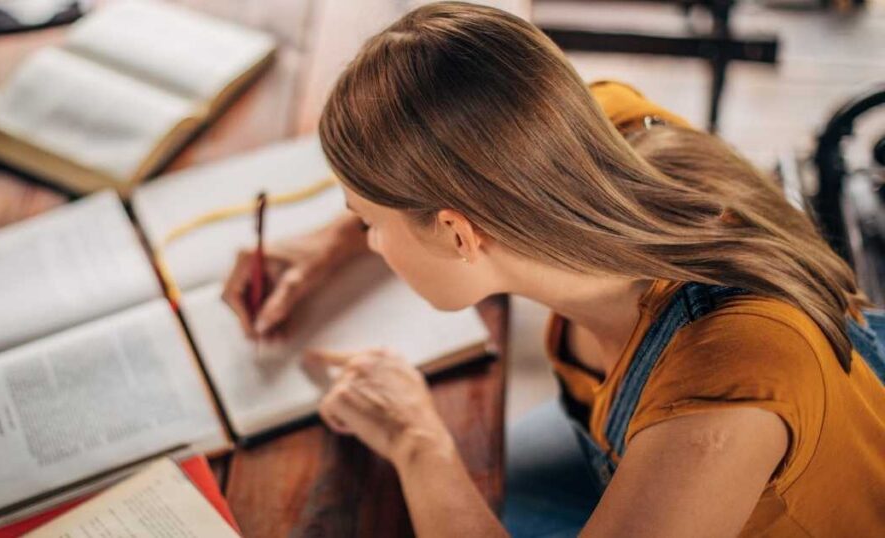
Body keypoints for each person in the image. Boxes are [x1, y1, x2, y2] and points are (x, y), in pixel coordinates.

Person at [221, 2, 885, 536]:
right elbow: (470, 149)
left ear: (457, 232)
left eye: (368, 222)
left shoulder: (724, 386)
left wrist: (418, 441)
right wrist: (324, 245)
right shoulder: (606, 131)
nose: (367, 241)